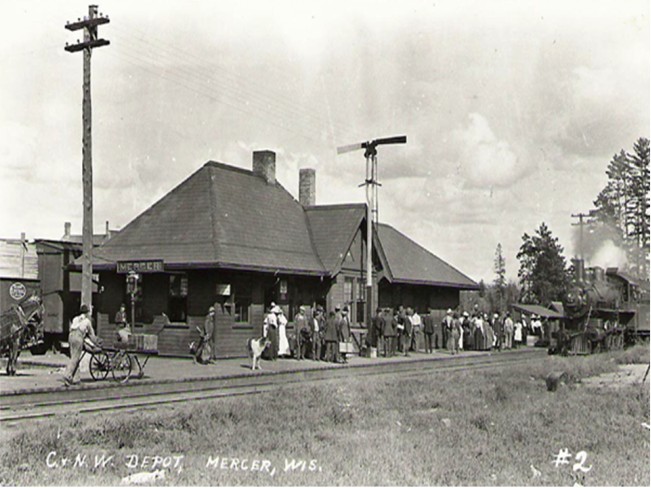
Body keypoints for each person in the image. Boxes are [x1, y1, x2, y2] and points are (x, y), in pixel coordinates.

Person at [63, 304, 100, 385]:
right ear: (87, 313)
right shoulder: (87, 321)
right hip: (78, 337)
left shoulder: (75, 319)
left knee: (74, 357)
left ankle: (76, 379)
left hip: (70, 336)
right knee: (75, 358)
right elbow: (91, 335)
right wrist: (96, 343)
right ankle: (67, 375)